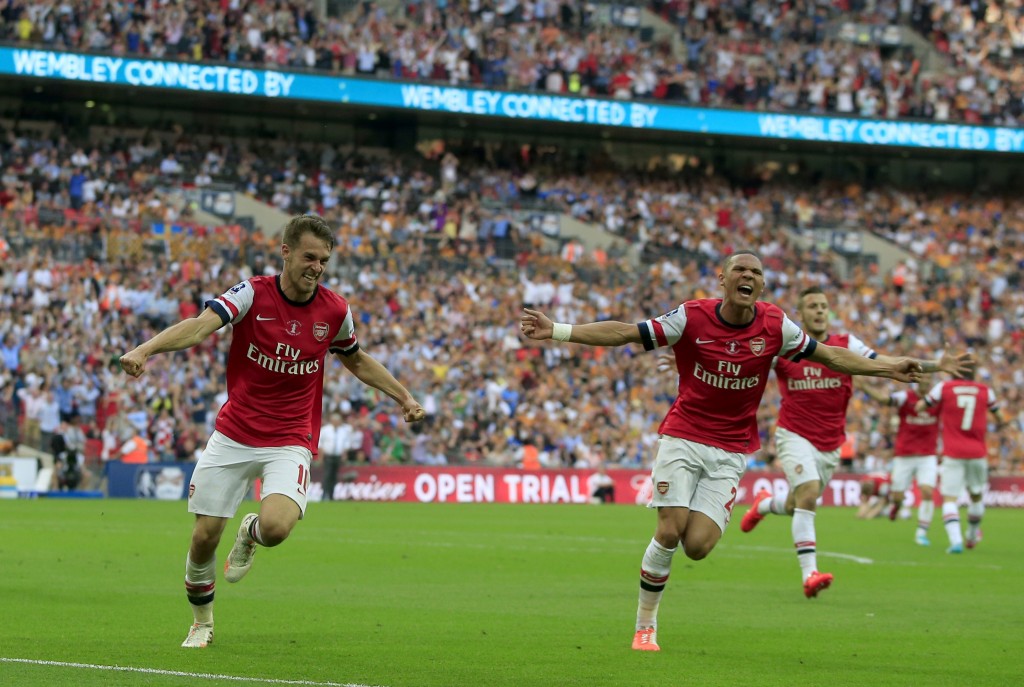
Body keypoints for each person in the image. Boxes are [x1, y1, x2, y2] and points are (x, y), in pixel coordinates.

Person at [520, 251, 930, 653]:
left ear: (762, 284)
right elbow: (626, 332)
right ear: (723, 279)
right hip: (683, 435)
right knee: (669, 529)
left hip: (731, 448)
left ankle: (736, 520)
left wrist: (889, 367)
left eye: (755, 271)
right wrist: (558, 330)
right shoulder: (692, 316)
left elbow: (831, 356)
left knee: (697, 547)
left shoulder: (776, 325)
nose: (746, 275)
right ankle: (645, 626)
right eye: (739, 269)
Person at [120, 215, 425, 649]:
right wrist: (145, 348)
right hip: (234, 433)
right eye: (309, 257)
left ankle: (251, 533)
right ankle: (201, 622)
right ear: (285, 252)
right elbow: (201, 325)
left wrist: (404, 397)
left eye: (324, 260)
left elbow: (356, 359)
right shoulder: (251, 294)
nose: (317, 267)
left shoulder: (335, 310)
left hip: (290, 437)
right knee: (204, 538)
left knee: (277, 527)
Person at [739, 287, 970, 597]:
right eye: (812, 306)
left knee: (798, 502)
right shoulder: (785, 347)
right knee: (807, 494)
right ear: (802, 314)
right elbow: (744, 363)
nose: (819, 310)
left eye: (823, 305)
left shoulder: (847, 344)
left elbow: (887, 361)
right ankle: (810, 575)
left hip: (830, 443)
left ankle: (765, 504)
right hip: (793, 433)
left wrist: (935, 366)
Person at [916, 369, 1004, 553]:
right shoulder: (985, 390)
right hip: (977, 452)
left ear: (954, 371)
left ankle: (955, 542)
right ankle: (971, 535)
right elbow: (1000, 417)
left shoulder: (944, 387)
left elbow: (920, 407)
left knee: (949, 499)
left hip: (953, 452)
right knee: (976, 494)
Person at [856, 376, 941, 545]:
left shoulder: (937, 400)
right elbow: (884, 399)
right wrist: (864, 387)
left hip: (927, 454)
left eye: (928, 382)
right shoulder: (905, 397)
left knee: (927, 491)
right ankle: (896, 505)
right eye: (923, 382)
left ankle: (921, 533)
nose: (925, 385)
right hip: (904, 455)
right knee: (897, 495)